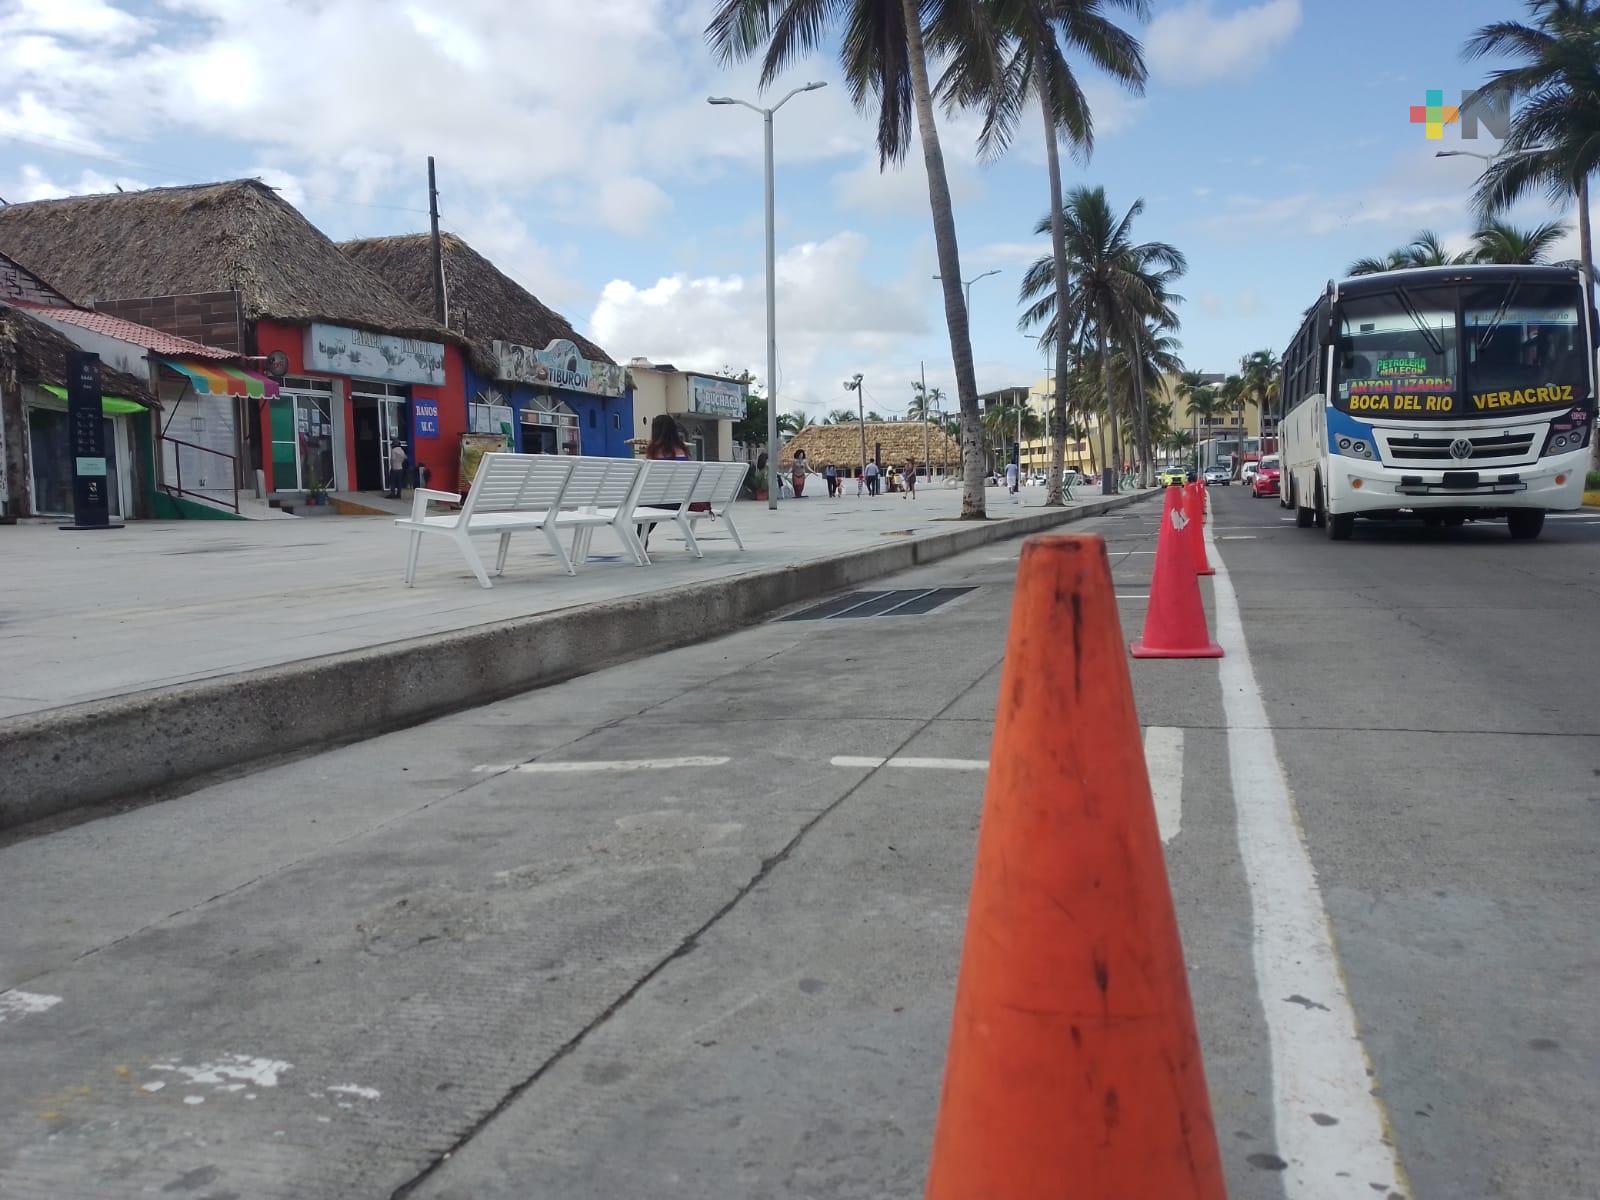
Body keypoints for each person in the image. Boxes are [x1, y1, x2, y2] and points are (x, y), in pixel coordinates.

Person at [640, 415, 691, 550]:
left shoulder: (655, 451)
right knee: (652, 503)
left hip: (664, 501)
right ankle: (641, 540)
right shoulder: (683, 450)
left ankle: (641, 540)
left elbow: (650, 480)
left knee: (644, 504)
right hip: (682, 501)